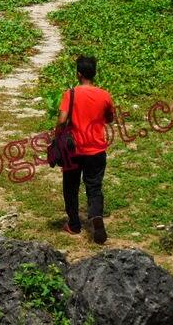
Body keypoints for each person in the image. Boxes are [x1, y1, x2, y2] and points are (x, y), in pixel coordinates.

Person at [57, 56, 115, 244]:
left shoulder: (70, 94)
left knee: (70, 186)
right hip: (97, 149)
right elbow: (109, 118)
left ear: (78, 74)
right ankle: (96, 215)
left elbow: (61, 120)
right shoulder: (104, 95)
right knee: (94, 186)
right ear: (94, 73)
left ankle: (74, 224)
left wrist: (58, 137)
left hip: (74, 150)